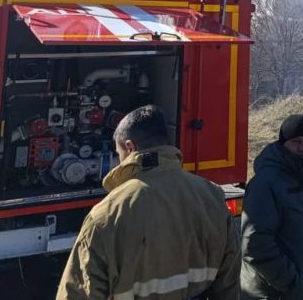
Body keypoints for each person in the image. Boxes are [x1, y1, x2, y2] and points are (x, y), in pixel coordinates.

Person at [57, 105, 241, 300]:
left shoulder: (106, 214)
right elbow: (229, 281)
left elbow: (79, 293)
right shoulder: (212, 196)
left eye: (119, 153)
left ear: (129, 147)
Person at [241, 114, 303, 300]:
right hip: (270, 291)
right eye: (296, 141)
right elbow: (254, 243)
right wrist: (289, 281)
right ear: (283, 143)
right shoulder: (266, 182)